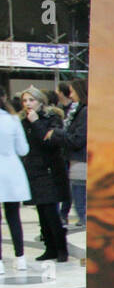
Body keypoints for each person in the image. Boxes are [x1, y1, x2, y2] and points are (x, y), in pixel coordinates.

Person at [17, 86, 68, 262]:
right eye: (25, 100)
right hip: (33, 171)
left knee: (51, 212)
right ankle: (50, 248)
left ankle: (61, 249)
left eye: (31, 100)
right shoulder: (23, 120)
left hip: (50, 171)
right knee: (41, 212)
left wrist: (36, 122)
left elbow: (50, 142)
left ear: (40, 101)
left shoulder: (52, 118)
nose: (28, 104)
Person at [49, 80, 86, 228]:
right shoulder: (77, 111)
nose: (71, 95)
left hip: (81, 161)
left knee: (79, 199)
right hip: (76, 160)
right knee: (77, 197)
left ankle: (82, 220)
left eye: (72, 91)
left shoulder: (84, 112)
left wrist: (57, 134)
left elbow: (78, 139)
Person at [0, 96, 31, 274]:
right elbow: (23, 149)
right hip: (12, 172)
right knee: (14, 217)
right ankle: (20, 258)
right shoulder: (12, 120)